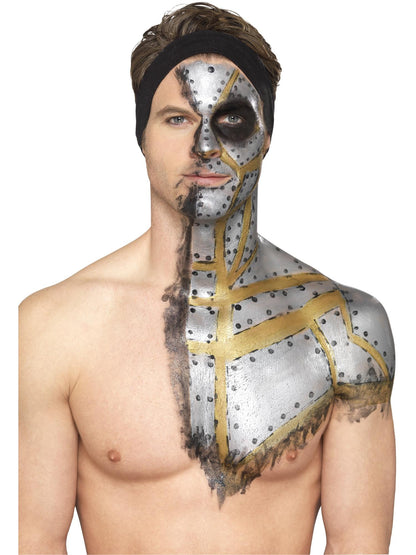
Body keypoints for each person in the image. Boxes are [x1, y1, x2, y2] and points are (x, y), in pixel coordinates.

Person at [19, 2, 395, 553]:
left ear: (266, 134)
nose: (204, 146)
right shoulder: (52, 327)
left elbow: (357, 543)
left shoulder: (346, 329)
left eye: (232, 118)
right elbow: (36, 541)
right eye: (177, 118)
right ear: (142, 135)